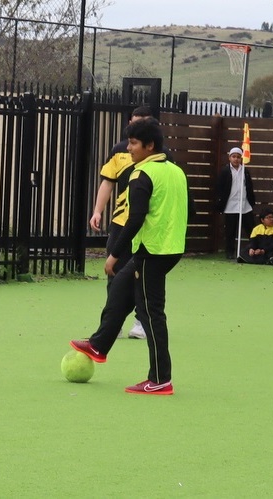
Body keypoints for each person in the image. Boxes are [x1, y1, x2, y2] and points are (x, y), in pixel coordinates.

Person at [71, 117, 189, 395]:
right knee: (121, 289)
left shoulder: (141, 174)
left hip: (152, 251)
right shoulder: (175, 171)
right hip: (169, 248)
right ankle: (99, 344)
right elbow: (190, 210)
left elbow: (134, 219)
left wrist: (113, 254)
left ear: (150, 146)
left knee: (151, 314)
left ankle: (160, 379)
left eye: (134, 143)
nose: (129, 148)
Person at [89, 106, 163, 339]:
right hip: (122, 221)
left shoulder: (162, 156)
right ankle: (112, 322)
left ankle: (141, 321)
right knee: (115, 272)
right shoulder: (120, 151)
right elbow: (108, 182)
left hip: (147, 225)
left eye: (144, 121)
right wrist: (97, 211)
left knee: (145, 275)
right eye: (135, 121)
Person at [216, 147, 256, 259]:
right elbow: (220, 187)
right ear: (229, 158)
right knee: (230, 231)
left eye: (238, 157)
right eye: (234, 157)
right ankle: (229, 252)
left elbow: (249, 187)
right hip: (230, 205)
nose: (236, 159)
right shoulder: (225, 171)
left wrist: (251, 201)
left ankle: (254, 249)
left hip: (244, 205)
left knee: (250, 228)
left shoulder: (245, 171)